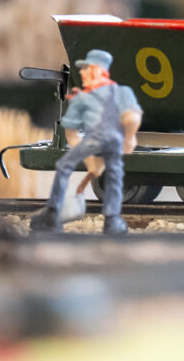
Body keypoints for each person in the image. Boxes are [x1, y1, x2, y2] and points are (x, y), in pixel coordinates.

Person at [30, 49, 143, 235]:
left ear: (99, 71)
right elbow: (131, 118)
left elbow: (131, 117)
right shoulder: (89, 97)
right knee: (114, 175)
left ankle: (53, 213)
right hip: (106, 141)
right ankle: (111, 220)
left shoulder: (109, 94)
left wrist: (129, 138)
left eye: (86, 69)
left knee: (67, 167)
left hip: (103, 140)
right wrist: (91, 161)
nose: (82, 72)